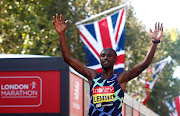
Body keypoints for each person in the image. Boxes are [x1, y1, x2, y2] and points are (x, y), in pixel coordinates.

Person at [52, 14, 163, 116]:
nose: (105, 57)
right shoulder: (93, 76)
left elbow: (144, 64)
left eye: (109, 55)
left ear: (115, 60)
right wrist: (61, 34)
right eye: (103, 55)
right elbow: (68, 59)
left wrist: (155, 42)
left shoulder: (121, 79)